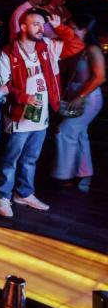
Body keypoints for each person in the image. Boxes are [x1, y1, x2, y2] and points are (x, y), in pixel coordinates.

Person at [0, 9, 82, 217]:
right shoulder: (8, 54)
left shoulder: (47, 46)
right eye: (35, 24)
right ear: (23, 27)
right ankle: (3, 196)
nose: (41, 29)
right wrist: (24, 97)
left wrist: (59, 27)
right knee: (11, 159)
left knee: (31, 159)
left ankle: (24, 193)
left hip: (41, 116)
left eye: (43, 25)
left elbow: (76, 44)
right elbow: (2, 87)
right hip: (19, 116)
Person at [51, 14, 104, 193]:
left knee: (65, 131)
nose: (70, 30)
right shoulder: (74, 48)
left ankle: (62, 176)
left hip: (89, 98)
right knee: (79, 134)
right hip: (75, 95)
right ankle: (83, 174)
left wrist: (80, 96)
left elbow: (100, 77)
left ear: (84, 30)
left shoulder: (92, 50)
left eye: (73, 27)